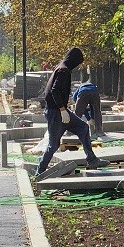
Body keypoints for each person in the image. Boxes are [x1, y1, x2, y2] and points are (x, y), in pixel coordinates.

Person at [36, 47, 109, 177]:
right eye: (78, 62)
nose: (78, 66)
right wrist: (62, 109)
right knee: (53, 145)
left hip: (60, 111)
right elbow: (54, 90)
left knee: (83, 128)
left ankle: (92, 159)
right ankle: (40, 171)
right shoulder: (63, 70)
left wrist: (65, 109)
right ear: (74, 60)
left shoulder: (61, 67)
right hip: (56, 112)